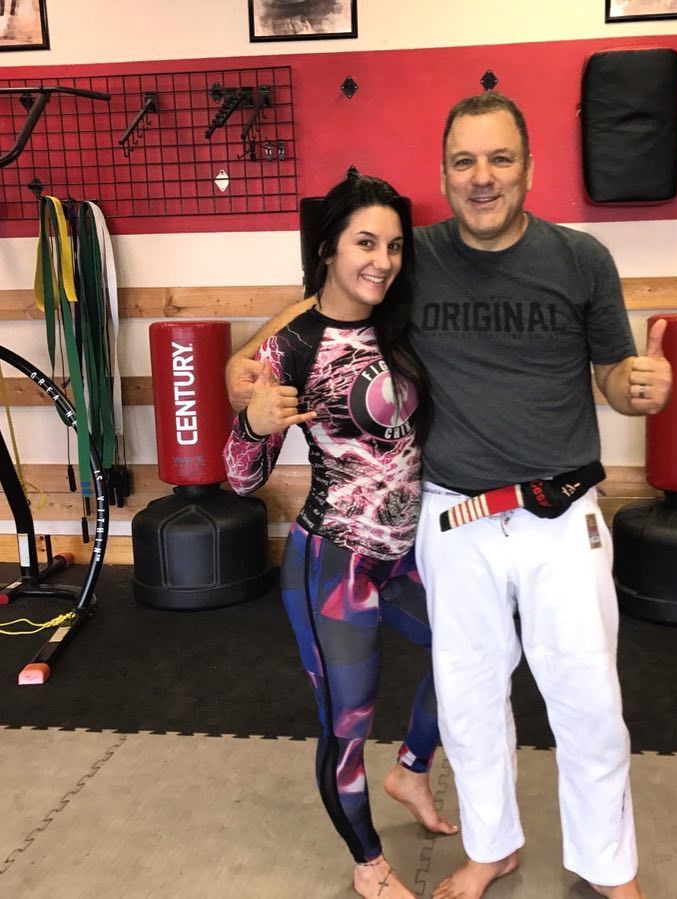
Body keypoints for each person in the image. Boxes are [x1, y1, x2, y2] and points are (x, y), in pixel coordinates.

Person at [227, 93, 672, 899]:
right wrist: (244, 377)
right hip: (453, 515)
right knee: (468, 702)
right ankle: (491, 847)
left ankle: (609, 866)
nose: (482, 177)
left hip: (561, 513)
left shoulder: (580, 259)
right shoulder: (410, 259)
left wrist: (635, 387)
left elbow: (613, 372)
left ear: (528, 167)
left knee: (589, 705)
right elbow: (306, 317)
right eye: (464, 161)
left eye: (500, 158)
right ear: (443, 174)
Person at [223, 174, 457, 899]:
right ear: (328, 249)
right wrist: (252, 423)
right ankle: (367, 863)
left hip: (407, 553)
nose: (382, 261)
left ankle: (410, 771)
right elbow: (239, 478)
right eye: (365, 243)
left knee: (470, 657)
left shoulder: (402, 322)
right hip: (335, 563)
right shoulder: (292, 347)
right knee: (347, 722)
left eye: (394, 246)